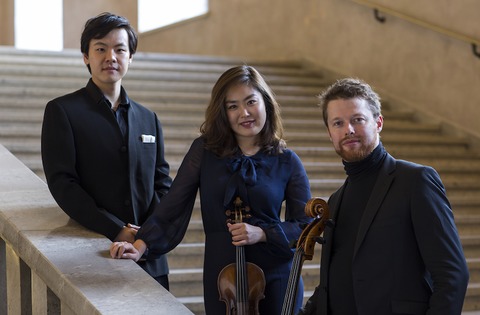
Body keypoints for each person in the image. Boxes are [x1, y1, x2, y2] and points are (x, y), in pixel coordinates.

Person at [110, 65, 313, 314]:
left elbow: (305, 224)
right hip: (223, 276)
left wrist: (262, 233)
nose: (245, 113)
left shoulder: (287, 160)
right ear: (223, 112)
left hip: (276, 274)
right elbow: (174, 204)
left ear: (266, 103)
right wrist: (141, 245)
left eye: (251, 101)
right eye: (233, 106)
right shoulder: (205, 151)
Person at [298, 78, 469, 315]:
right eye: (338, 123)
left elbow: (452, 274)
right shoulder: (336, 201)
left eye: (358, 119)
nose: (348, 129)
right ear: (329, 133)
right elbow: (335, 281)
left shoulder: (415, 181)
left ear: (378, 122)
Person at [41, 12, 172, 289]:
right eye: (100, 48)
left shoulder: (149, 119)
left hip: (150, 258)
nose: (110, 56)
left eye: (120, 49)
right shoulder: (63, 111)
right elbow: (63, 183)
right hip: (94, 251)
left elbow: (163, 185)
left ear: (130, 57)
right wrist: (115, 229)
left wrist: (146, 236)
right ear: (86, 57)